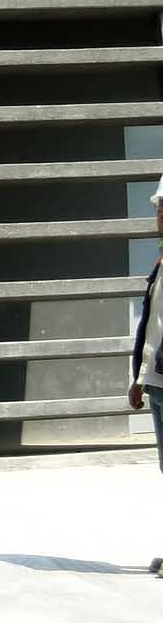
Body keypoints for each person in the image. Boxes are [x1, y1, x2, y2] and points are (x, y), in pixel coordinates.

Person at [133, 178, 162, 577]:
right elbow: (153, 327)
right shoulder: (160, 261)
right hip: (158, 382)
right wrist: (139, 378)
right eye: (158, 206)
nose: (159, 214)